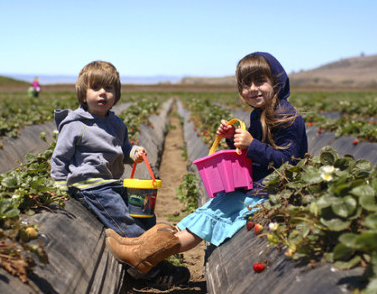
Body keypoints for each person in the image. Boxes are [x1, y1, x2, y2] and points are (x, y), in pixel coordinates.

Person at [106, 52, 309, 278]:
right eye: (246, 84)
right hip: (255, 187)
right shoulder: (258, 114)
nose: (253, 88)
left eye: (260, 81)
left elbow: (289, 162)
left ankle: (142, 256)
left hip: (271, 192)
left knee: (206, 220)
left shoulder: (285, 116)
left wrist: (251, 145)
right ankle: (136, 245)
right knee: (202, 212)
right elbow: (253, 154)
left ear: (277, 82)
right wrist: (233, 138)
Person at [50, 60, 190, 288]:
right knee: (125, 223)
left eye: (109, 88)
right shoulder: (75, 125)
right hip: (90, 187)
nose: (103, 93)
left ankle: (150, 257)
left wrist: (132, 152)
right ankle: (151, 273)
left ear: (116, 94)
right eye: (96, 88)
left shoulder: (116, 123)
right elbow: (60, 157)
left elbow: (121, 150)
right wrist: (58, 184)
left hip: (112, 182)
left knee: (143, 215)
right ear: (83, 95)